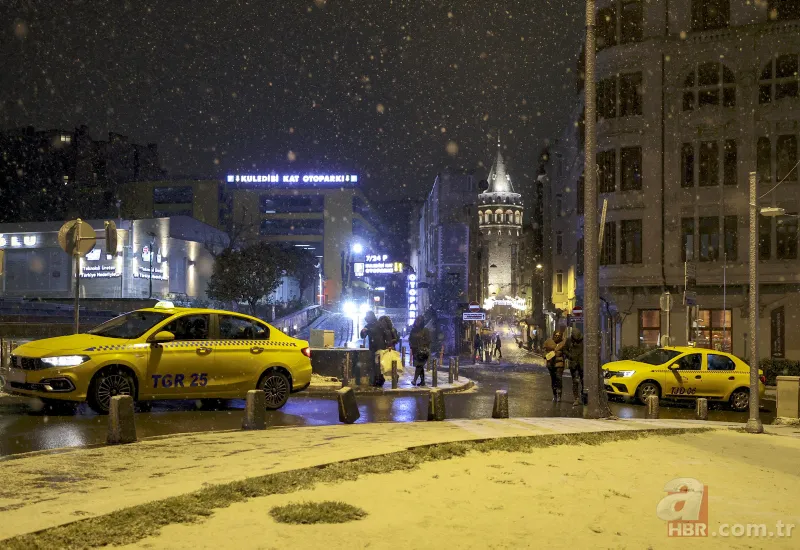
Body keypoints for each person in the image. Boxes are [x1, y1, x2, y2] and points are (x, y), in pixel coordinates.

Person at [360, 311, 386, 387]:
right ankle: (376, 379)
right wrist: (363, 331)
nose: (366, 318)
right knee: (374, 365)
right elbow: (363, 336)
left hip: (380, 347)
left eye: (367, 316)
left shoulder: (379, 324)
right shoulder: (368, 326)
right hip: (373, 348)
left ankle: (379, 379)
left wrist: (388, 344)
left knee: (379, 365)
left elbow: (385, 334)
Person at [543, 331, 566, 402]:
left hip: (559, 364)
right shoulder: (548, 342)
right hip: (551, 364)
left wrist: (561, 356)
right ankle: (554, 394)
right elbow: (544, 351)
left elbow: (566, 352)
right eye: (556, 335)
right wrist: (547, 355)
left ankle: (559, 394)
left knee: (559, 378)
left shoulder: (563, 343)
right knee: (553, 379)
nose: (557, 337)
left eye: (558, 335)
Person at [408, 316, 431, 386]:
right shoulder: (413, 330)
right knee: (420, 366)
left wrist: (422, 345)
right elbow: (410, 338)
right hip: (415, 350)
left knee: (419, 365)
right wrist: (412, 345)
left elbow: (428, 340)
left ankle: (414, 380)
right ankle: (422, 381)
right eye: (417, 320)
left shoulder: (425, 330)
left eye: (419, 321)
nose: (417, 322)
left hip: (423, 351)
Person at [565, 328, 584, 406]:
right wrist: (570, 356)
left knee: (584, 382)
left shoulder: (584, 340)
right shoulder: (569, 340)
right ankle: (576, 398)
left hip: (582, 364)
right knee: (575, 381)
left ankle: (584, 397)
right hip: (573, 363)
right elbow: (565, 350)